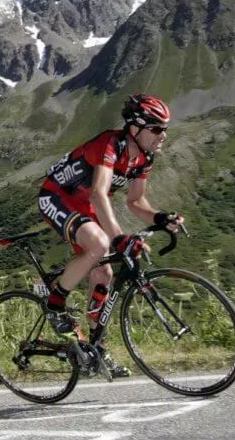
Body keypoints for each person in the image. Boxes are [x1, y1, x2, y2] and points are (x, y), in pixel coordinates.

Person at [37, 93, 184, 378]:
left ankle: (96, 349)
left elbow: (135, 202)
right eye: (156, 128)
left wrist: (160, 217)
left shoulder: (144, 158)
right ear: (135, 128)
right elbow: (99, 192)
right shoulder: (110, 144)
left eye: (165, 128)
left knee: (104, 274)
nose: (163, 135)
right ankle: (55, 302)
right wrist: (119, 237)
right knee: (101, 243)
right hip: (56, 196)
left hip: (86, 207)